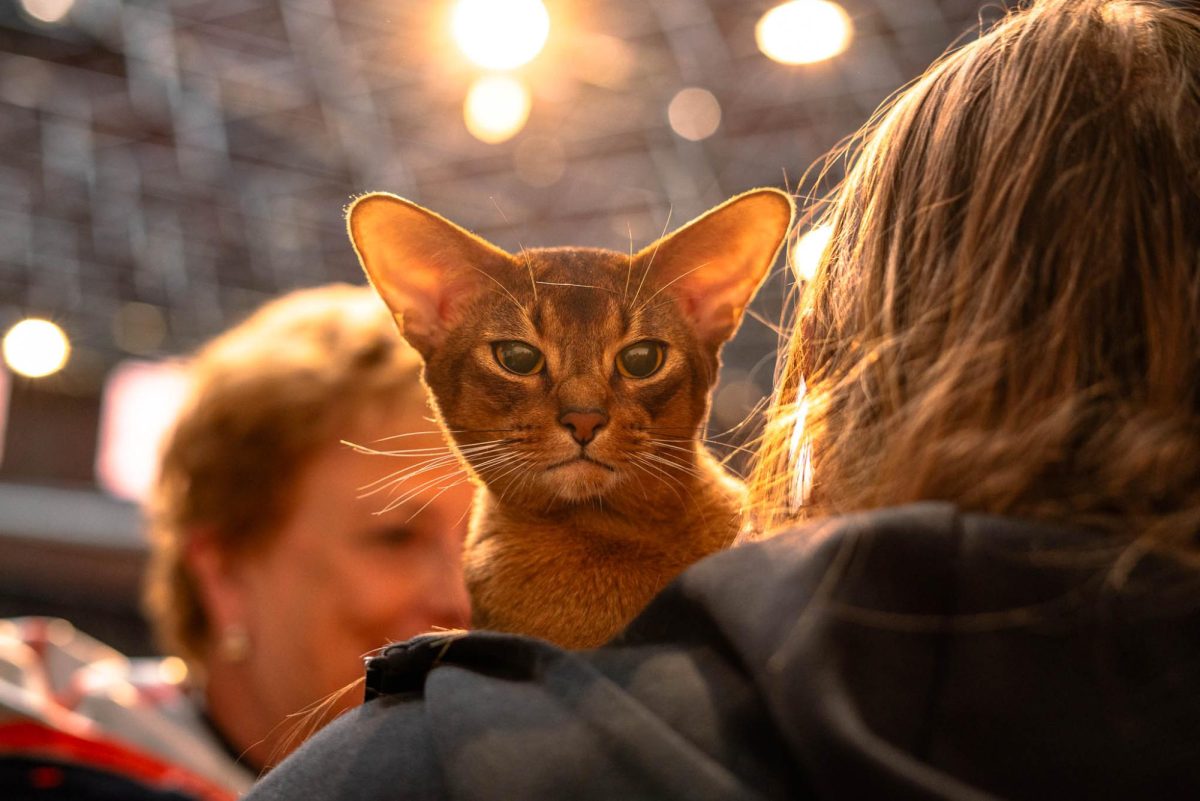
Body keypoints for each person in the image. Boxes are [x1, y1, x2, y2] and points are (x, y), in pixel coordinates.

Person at [245, 1, 1200, 798]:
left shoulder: (422, 764)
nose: (583, 409)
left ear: (845, 353)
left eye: (642, 359)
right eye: (522, 360)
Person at [0, 285, 473, 799]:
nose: (461, 599)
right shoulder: (40, 757)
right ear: (223, 571)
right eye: (395, 537)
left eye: (488, 543)